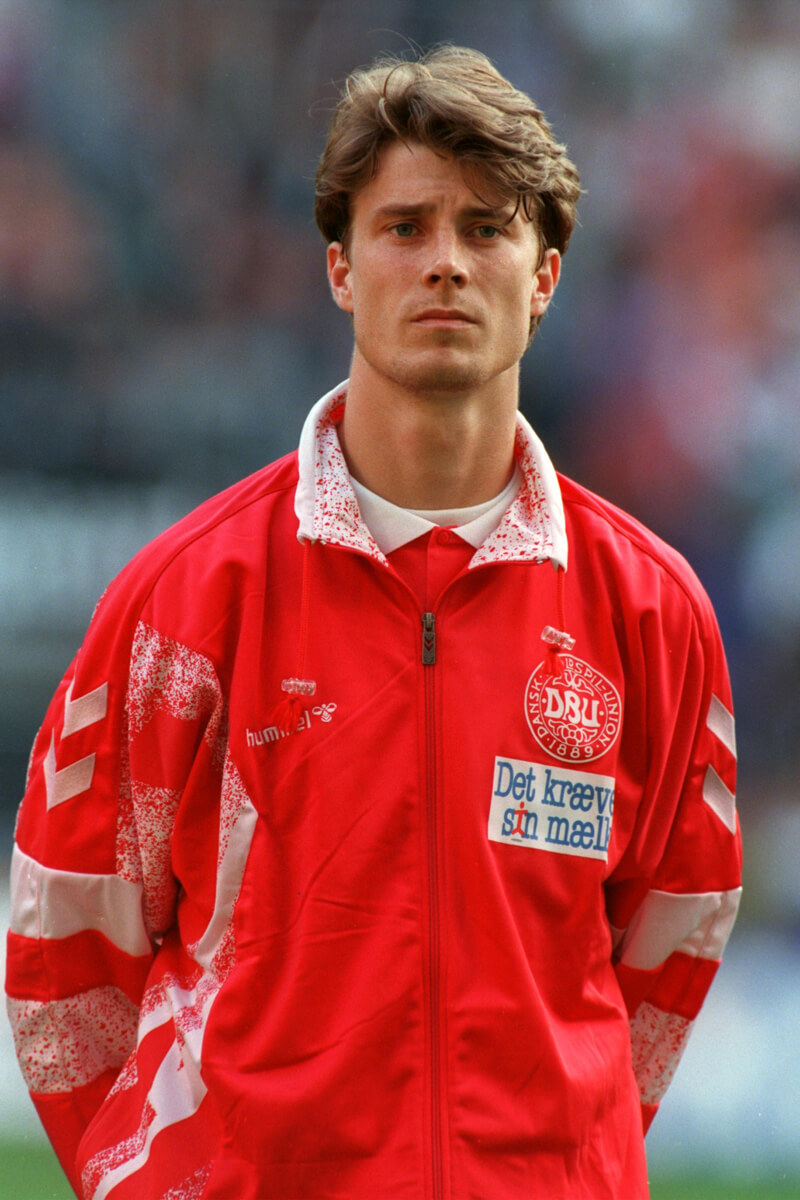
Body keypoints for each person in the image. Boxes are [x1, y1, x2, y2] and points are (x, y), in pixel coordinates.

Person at [6, 46, 742, 1200]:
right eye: (404, 227)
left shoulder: (650, 609)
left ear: (543, 277)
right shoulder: (184, 598)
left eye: (485, 229)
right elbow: (65, 942)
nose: (444, 261)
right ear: (341, 269)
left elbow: (666, 953)